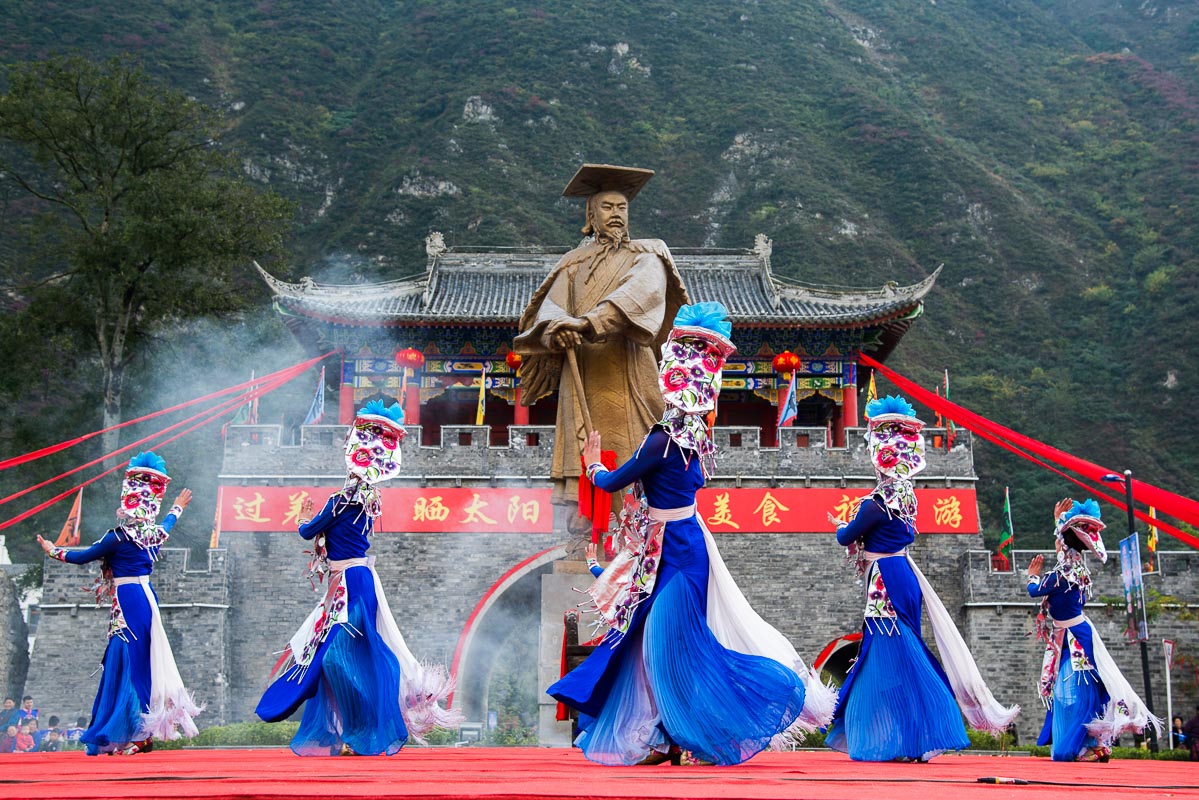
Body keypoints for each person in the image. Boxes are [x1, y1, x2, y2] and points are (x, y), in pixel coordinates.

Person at [549, 302, 836, 766]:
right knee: (652, 643)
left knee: (671, 646)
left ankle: (691, 727)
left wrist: (592, 462)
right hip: (679, 547)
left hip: (680, 554)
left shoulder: (660, 440)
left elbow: (611, 483)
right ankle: (664, 738)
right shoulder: (695, 439)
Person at [256, 400, 459, 756]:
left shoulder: (340, 499)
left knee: (338, 656)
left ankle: (364, 725)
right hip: (357, 581)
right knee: (343, 655)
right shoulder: (369, 497)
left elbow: (309, 532)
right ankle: (356, 728)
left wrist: (301, 519)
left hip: (350, 583)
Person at [826, 395, 1018, 762]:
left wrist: (840, 526)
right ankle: (908, 737)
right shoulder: (907, 498)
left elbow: (847, 537)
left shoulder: (875, 504)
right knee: (900, 651)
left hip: (884, 580)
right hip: (905, 576)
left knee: (891, 655)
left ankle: (906, 733)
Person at [515, 163, 688, 510]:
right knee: (585, 454)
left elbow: (642, 293)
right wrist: (558, 328)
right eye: (607, 208)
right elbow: (550, 307)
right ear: (591, 215)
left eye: (622, 208)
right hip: (583, 369)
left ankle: (636, 524)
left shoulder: (648, 253)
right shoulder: (573, 262)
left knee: (637, 446)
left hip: (629, 370)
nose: (616, 215)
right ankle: (588, 532)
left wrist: (588, 323)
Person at [38, 451, 201, 755]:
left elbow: (80, 556)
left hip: (128, 598)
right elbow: (167, 525)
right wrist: (178, 507)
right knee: (138, 658)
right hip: (145, 597)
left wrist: (52, 550)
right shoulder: (151, 533)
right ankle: (136, 731)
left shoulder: (117, 536)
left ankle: (137, 731)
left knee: (126, 657)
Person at [1027, 498, 1162, 762]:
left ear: (1064, 544)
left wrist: (1032, 574)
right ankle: (1093, 742)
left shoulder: (1058, 576)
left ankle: (1082, 744)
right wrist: (1059, 520)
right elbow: (1064, 544)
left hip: (1074, 638)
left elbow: (1034, 590)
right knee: (1084, 687)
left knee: (1071, 691)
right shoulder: (1078, 569)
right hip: (1077, 634)